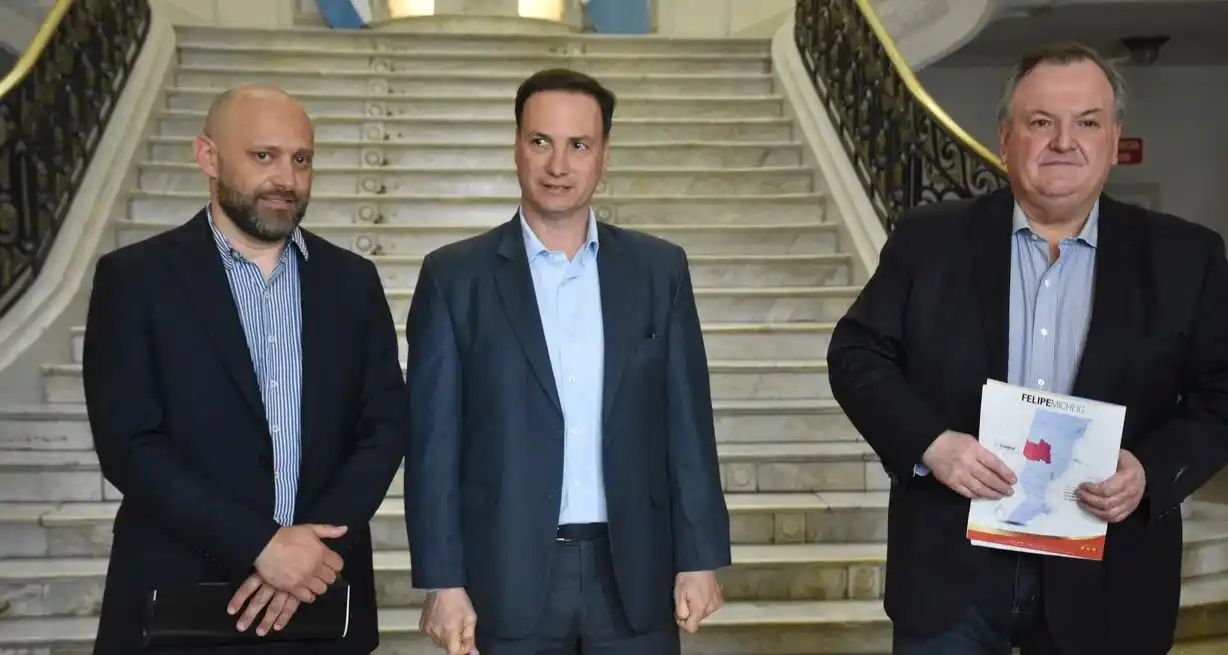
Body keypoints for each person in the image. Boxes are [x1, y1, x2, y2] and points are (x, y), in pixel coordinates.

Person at [827, 42, 1228, 655]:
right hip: (950, 577)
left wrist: (1147, 471)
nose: (1064, 141)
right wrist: (933, 445)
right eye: (1042, 122)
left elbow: (1220, 394)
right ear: (1006, 137)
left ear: (1115, 139)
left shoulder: (1187, 257)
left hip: (1110, 580)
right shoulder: (927, 240)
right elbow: (857, 355)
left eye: (1087, 122)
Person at [401, 68, 731, 655]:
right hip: (505, 574)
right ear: (517, 148)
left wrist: (700, 556)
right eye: (540, 142)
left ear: (603, 155)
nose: (559, 165)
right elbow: (432, 446)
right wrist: (443, 580)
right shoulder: (454, 278)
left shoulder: (660, 271)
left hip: (635, 572)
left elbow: (687, 424)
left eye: (579, 145)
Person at [82, 84, 405, 654]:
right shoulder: (135, 280)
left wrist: (310, 550)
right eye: (264, 156)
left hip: (320, 601)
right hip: (176, 604)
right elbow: (128, 444)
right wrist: (262, 545)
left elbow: (383, 426)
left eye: (301, 159)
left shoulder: (352, 282)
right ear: (208, 156)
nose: (286, 177)